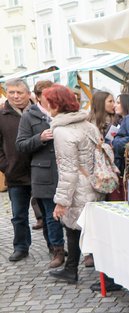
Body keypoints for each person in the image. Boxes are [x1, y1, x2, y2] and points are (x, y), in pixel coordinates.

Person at [43, 85, 105, 284]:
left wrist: (61, 202)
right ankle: (72, 270)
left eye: (48, 103)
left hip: (79, 188)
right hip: (95, 184)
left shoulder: (62, 131)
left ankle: (109, 277)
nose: (45, 106)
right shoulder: (87, 125)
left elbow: (68, 170)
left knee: (87, 231)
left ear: (56, 105)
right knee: (75, 229)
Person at [15, 80, 66, 268]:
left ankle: (79, 250)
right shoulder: (29, 116)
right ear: (37, 97)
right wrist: (40, 138)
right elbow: (20, 145)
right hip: (43, 173)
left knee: (71, 213)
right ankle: (57, 250)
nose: (52, 98)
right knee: (51, 215)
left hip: (64, 170)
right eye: (47, 95)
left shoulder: (62, 112)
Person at [0, 79, 33, 262]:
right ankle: (21, 247)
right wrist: (6, 165)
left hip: (39, 172)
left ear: (28, 93)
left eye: (19, 92)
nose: (15, 96)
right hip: (15, 174)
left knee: (47, 214)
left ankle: (55, 247)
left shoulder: (39, 112)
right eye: (11, 92)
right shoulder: (1, 114)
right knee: (18, 215)